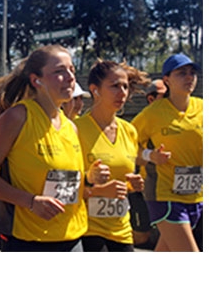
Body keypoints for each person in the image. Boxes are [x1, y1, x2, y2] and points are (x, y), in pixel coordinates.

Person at [0, 44, 89, 252]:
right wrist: (31, 201)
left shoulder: (71, 127)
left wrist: (93, 177)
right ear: (37, 80)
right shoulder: (18, 117)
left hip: (73, 239)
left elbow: (69, 182)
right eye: (59, 71)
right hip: (28, 242)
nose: (70, 77)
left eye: (72, 70)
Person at [75, 59, 150, 252]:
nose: (122, 92)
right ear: (95, 89)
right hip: (87, 230)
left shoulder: (129, 130)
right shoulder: (75, 130)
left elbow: (121, 182)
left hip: (121, 229)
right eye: (115, 86)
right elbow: (63, 186)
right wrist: (96, 188)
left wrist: (132, 185)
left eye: (125, 86)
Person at [131, 53, 203, 252]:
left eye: (192, 73)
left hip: (195, 195)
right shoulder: (153, 113)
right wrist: (149, 156)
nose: (189, 77)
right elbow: (126, 144)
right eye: (182, 73)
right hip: (163, 194)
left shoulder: (203, 107)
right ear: (166, 80)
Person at [129, 78, 166, 249]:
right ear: (151, 99)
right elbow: (129, 148)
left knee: (167, 237)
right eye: (164, 95)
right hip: (148, 187)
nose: (170, 98)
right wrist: (150, 155)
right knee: (143, 237)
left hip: (178, 189)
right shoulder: (146, 118)